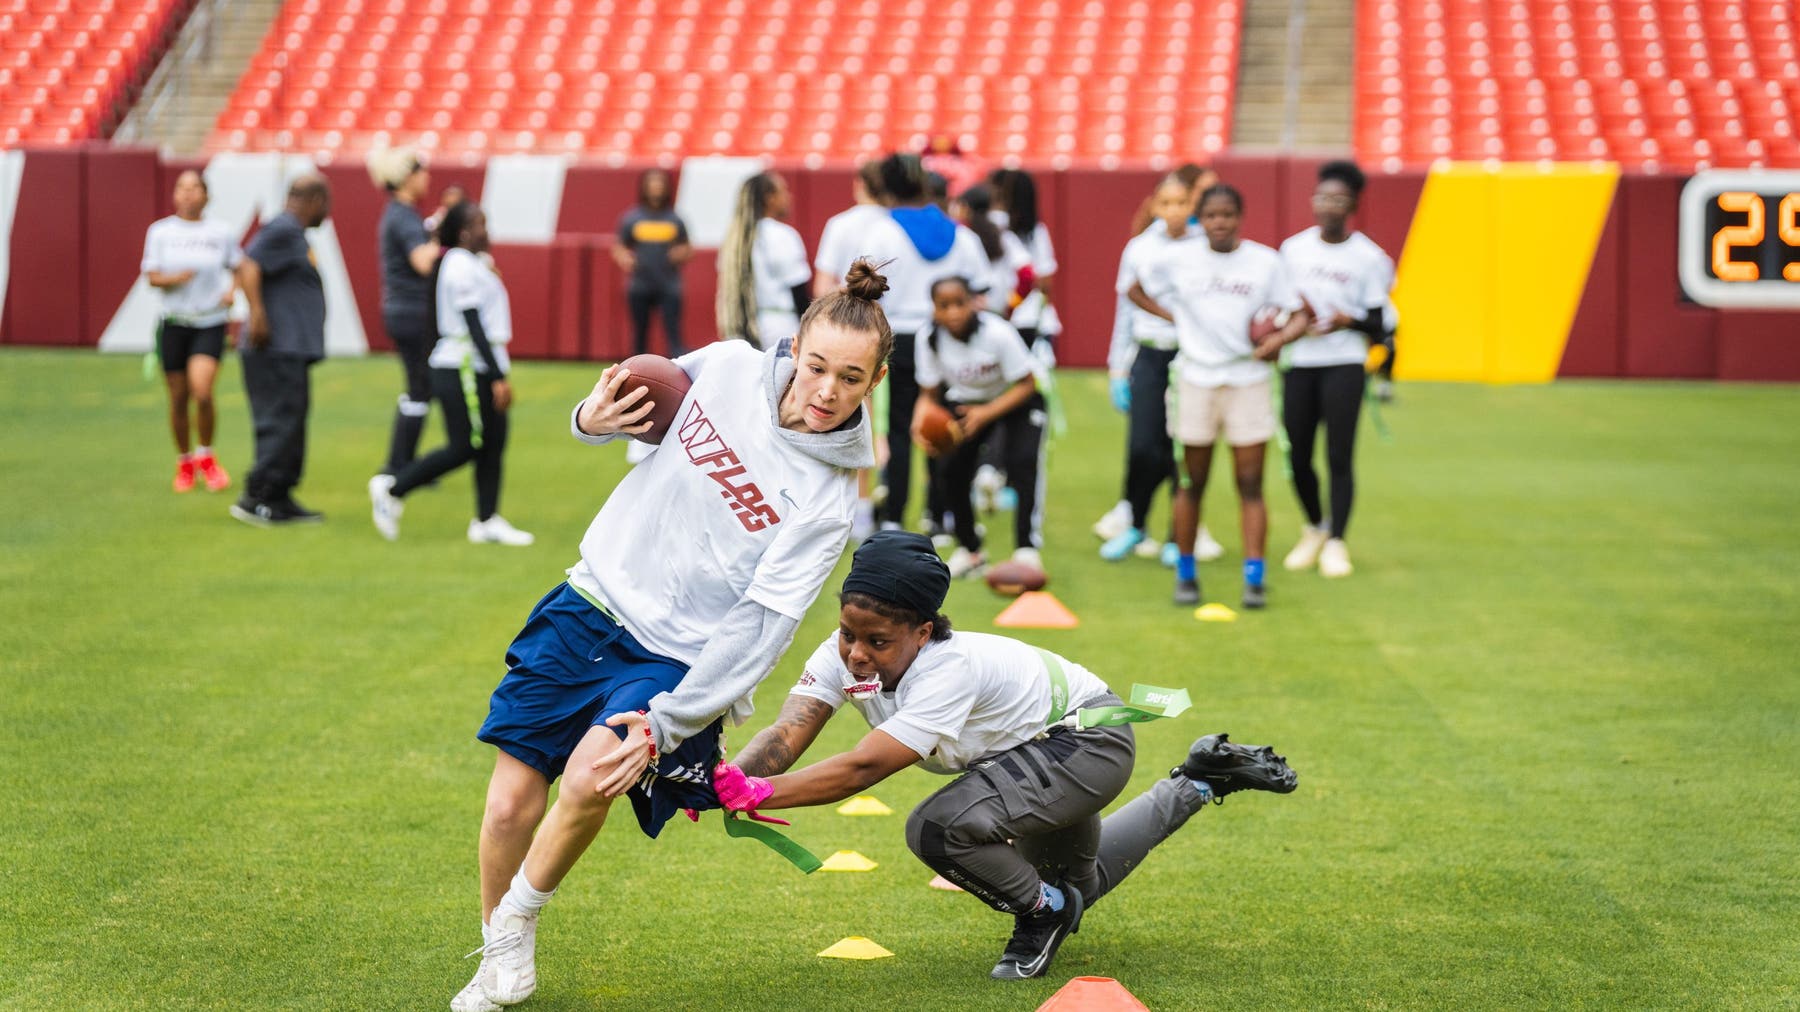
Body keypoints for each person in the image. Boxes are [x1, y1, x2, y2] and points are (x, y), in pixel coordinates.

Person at [448, 262, 893, 1012]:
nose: (826, 391)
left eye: (849, 379)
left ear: (873, 383)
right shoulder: (723, 367)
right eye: (817, 367)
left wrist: (671, 723)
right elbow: (627, 400)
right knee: (505, 810)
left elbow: (762, 629)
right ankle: (499, 950)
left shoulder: (826, 502)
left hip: (675, 658)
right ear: (794, 348)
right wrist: (589, 420)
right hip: (589, 602)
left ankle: (518, 919)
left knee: (594, 774)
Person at [712, 531, 1298, 981]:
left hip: (1083, 744)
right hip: (1035, 754)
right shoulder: (847, 654)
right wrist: (728, 779)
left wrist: (759, 795)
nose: (857, 655)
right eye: (847, 633)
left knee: (938, 829)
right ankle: (1198, 780)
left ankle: (1041, 914)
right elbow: (790, 729)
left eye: (877, 641)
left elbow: (864, 767)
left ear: (922, 631)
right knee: (1077, 886)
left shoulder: (947, 668)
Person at [1129, 184, 1312, 608]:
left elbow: (1300, 313)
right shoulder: (1179, 258)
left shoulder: (1265, 262)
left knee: (1249, 483)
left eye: (1227, 214)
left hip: (1247, 379)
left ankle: (1254, 578)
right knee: (1192, 482)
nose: (1219, 222)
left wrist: (1277, 341)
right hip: (1195, 378)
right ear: (1200, 218)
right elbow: (1135, 289)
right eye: (1211, 215)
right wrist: (1180, 321)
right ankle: (1186, 573)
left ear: (1240, 217)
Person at [368, 203, 532, 546]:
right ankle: (393, 488)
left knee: (493, 442)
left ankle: (487, 520)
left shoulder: (474, 264)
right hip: (464, 366)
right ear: (462, 232)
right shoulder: (458, 265)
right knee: (466, 446)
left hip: (476, 363)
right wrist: (499, 374)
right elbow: (472, 323)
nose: (487, 230)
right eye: (479, 224)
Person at [854, 152, 991, 533]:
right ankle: (940, 513)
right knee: (943, 425)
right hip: (946, 340)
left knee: (899, 429)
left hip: (898, 339)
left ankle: (894, 517)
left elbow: (863, 291)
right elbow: (983, 292)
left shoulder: (881, 231)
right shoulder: (959, 233)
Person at [1278, 160, 1396, 579]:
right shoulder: (1293, 249)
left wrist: (1351, 321)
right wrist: (1292, 321)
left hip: (1344, 363)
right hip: (1301, 361)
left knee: (1339, 455)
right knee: (1297, 452)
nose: (1329, 205)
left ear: (1352, 205)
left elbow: (1382, 324)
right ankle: (1314, 526)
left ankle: (1337, 541)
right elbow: (1279, 305)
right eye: (1323, 197)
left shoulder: (1369, 257)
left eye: (1339, 199)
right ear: (1313, 201)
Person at [1100, 172, 1219, 565]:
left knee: (1179, 448)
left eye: (1181, 203)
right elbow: (1124, 311)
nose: (1173, 211)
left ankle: (1176, 534)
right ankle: (1135, 523)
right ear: (1154, 205)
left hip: (1190, 356)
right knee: (1142, 446)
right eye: (1165, 204)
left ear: (1192, 207)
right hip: (1149, 355)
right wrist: (1118, 369)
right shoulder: (1139, 248)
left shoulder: (1204, 247)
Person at [913, 276, 1043, 577]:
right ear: (933, 309)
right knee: (951, 472)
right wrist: (920, 424)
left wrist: (986, 413)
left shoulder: (997, 333)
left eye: (960, 303)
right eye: (944, 306)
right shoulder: (928, 338)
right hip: (965, 404)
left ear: (973, 302)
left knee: (1022, 463)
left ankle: (1026, 548)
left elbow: (1027, 384)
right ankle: (970, 549)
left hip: (1013, 399)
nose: (954, 312)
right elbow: (928, 395)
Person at [231, 175, 331, 526]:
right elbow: (247, 264)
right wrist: (257, 313)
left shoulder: (293, 234)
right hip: (276, 348)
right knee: (280, 421)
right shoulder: (284, 228)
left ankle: (281, 497)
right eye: (326, 203)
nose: (328, 212)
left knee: (292, 421)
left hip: (289, 348)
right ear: (315, 199)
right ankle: (258, 498)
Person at [141, 169, 240, 494]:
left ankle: (207, 456)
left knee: (202, 391)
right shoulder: (161, 232)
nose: (188, 194)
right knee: (178, 397)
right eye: (182, 188)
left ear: (206, 195)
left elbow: (240, 267)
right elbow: (152, 276)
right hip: (174, 323)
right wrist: (175, 278)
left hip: (209, 321)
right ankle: (184, 462)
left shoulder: (220, 232)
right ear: (174, 195)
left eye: (195, 188)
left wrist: (232, 292)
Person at [369, 147, 442, 477]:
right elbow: (423, 262)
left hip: (405, 310)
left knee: (421, 386)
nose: (427, 177)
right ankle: (398, 466)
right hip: (411, 311)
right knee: (419, 386)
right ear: (407, 177)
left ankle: (404, 463)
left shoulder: (401, 214)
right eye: (421, 171)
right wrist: (443, 239)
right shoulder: (403, 216)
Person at [716, 171, 812, 349]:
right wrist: (810, 330)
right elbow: (798, 291)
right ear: (770, 198)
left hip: (739, 329)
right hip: (781, 326)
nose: (788, 197)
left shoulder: (733, 239)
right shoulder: (782, 234)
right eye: (783, 191)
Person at [614, 168, 691, 357]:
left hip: (669, 284)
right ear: (644, 188)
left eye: (660, 183)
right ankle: (637, 373)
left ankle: (677, 376)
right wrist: (624, 257)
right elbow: (619, 247)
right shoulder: (633, 218)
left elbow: (688, 248)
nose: (656, 187)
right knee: (639, 335)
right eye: (652, 183)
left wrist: (681, 253)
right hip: (640, 284)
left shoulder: (675, 219)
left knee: (674, 336)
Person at [813, 160, 889, 298]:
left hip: (853, 315)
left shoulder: (839, 224)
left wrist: (853, 294)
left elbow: (822, 288)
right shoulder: (897, 224)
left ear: (859, 184)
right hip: (891, 315)